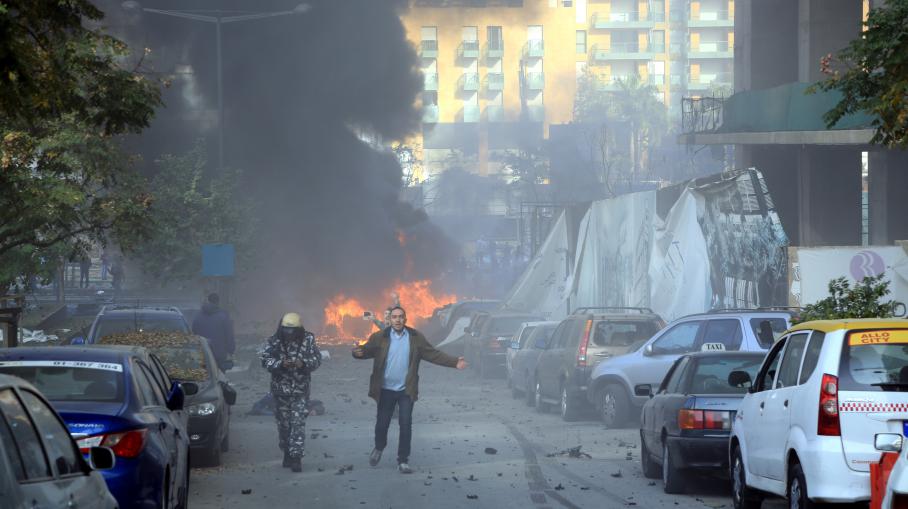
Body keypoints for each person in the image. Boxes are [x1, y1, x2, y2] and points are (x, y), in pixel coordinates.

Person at [352, 306, 466, 474]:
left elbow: (432, 354)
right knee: (382, 424)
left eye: (401, 317)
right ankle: (379, 447)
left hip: (406, 390)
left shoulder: (415, 337)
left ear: (405, 319)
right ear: (389, 320)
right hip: (385, 390)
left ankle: (403, 460)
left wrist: (454, 362)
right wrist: (358, 353)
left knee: (405, 425)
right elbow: (367, 351)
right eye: (394, 317)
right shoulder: (380, 337)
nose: (397, 320)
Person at [260, 313, 321, 472]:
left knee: (298, 424)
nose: (289, 333)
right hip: (280, 391)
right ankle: (287, 451)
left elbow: (317, 359)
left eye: (292, 330)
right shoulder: (274, 341)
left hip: (300, 390)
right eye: (286, 330)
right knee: (284, 425)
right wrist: (280, 364)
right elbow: (265, 360)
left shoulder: (308, 340)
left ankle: (296, 458)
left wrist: (303, 363)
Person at [192, 293, 236, 371]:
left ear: (208, 300)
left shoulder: (198, 316)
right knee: (219, 376)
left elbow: (194, 333)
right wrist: (231, 350)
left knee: (205, 375)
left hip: (203, 352)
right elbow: (229, 334)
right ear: (218, 302)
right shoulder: (223, 316)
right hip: (219, 354)